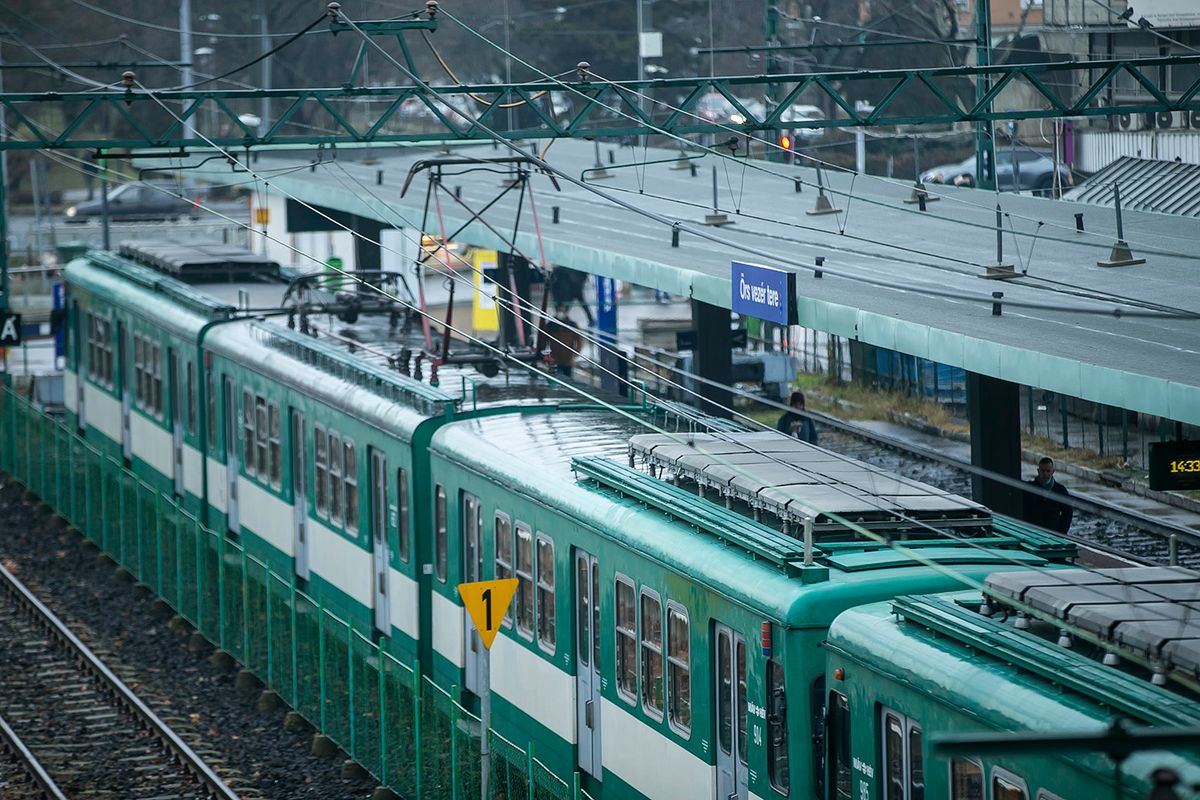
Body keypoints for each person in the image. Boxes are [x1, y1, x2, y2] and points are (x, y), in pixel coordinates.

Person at [1024, 457, 1073, 533]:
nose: (1045, 473)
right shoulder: (1029, 488)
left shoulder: (1060, 490)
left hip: (1053, 533)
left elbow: (1068, 512)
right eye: (1042, 471)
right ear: (1038, 471)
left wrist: (1062, 532)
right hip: (1033, 532)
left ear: (1053, 471)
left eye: (1048, 471)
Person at [545, 305, 584, 379]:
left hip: (568, 358)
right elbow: (544, 339)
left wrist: (576, 352)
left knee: (567, 378)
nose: (561, 313)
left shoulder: (572, 325)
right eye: (559, 310)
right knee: (556, 378)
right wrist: (544, 354)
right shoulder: (551, 325)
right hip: (555, 358)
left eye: (562, 310)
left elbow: (580, 340)